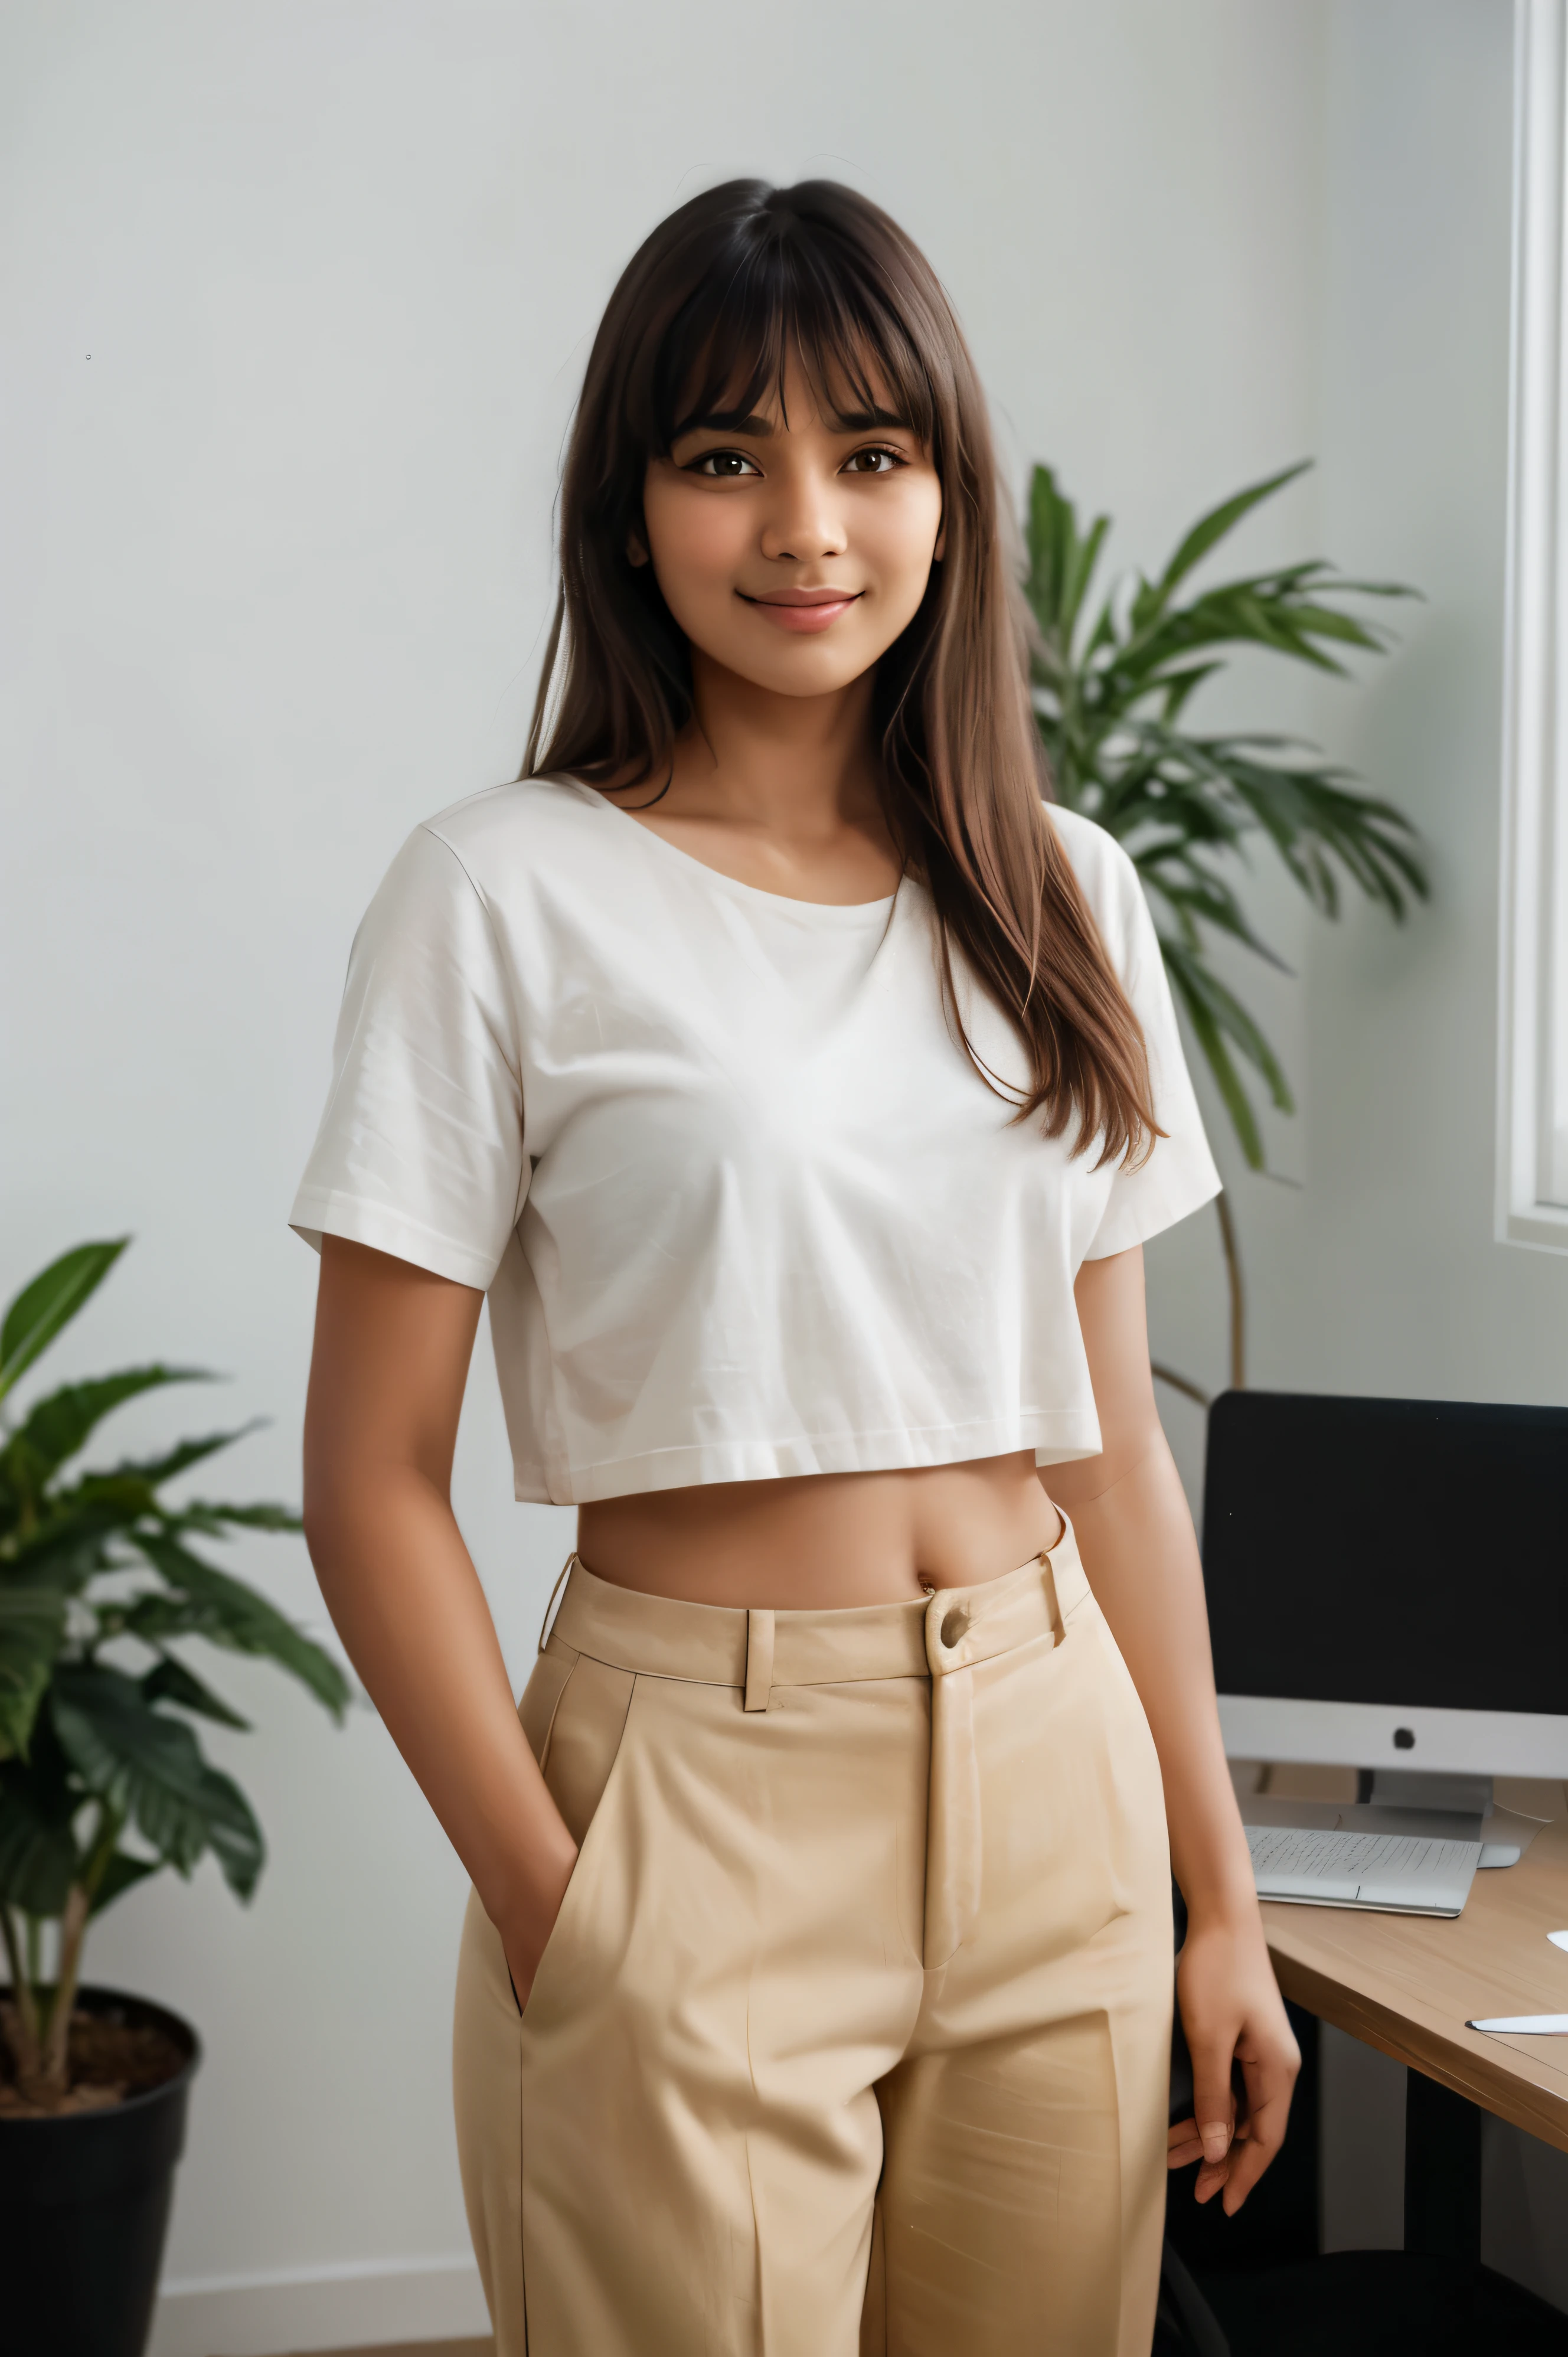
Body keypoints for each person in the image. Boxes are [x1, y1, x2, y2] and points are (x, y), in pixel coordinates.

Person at [293, 178, 1298, 2357]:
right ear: (632, 505)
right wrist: (563, 1913)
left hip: (1056, 1778)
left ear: (950, 485)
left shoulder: (1063, 892)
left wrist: (1222, 1899)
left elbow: (1111, 1451)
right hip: (695, 1796)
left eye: (873, 452)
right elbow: (370, 1474)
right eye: (726, 457)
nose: (806, 526)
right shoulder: (500, 894)